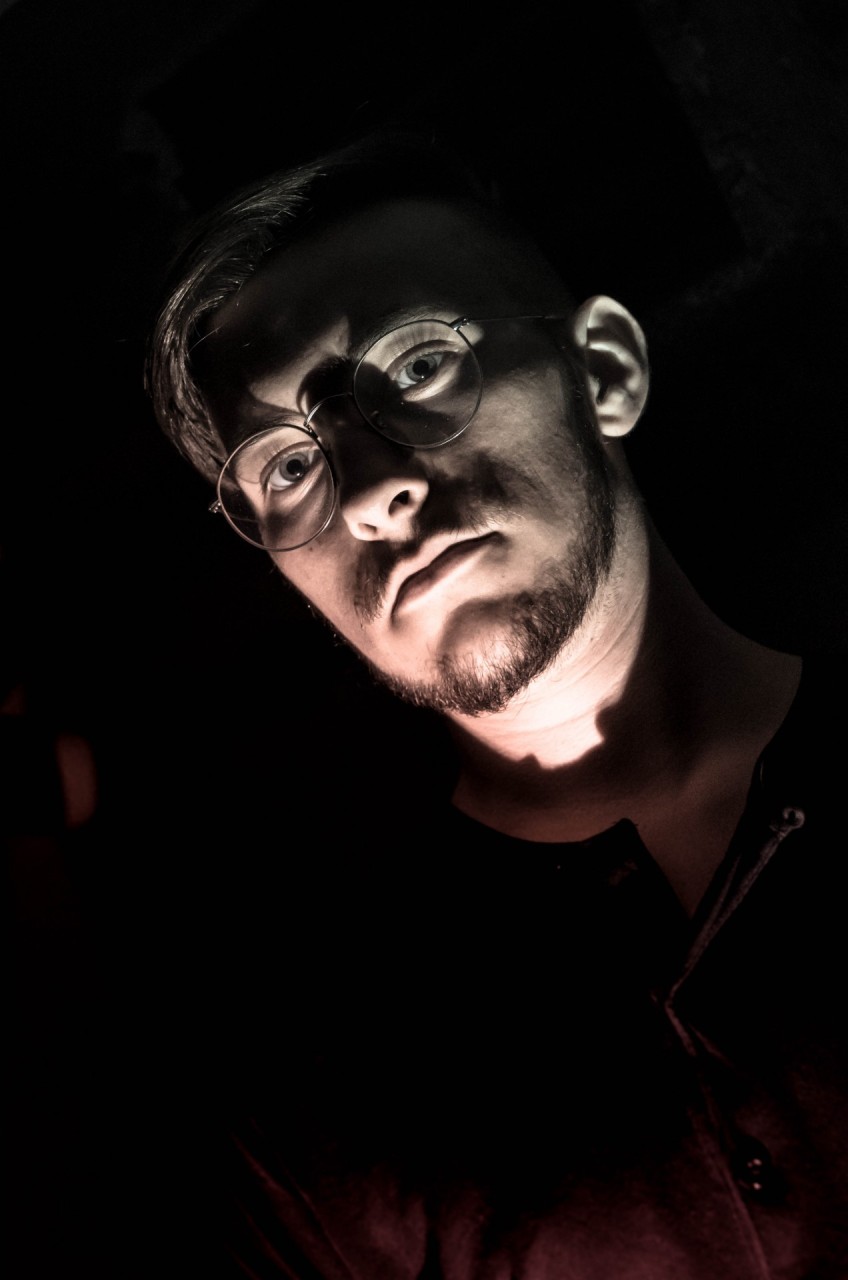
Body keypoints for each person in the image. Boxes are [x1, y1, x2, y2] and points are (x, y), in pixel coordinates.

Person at [145, 131, 847, 1278]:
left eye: (417, 366)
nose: (369, 489)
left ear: (602, 370)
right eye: (287, 464)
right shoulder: (317, 1101)